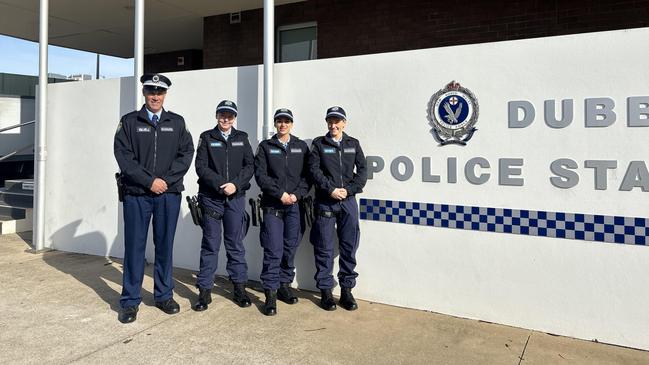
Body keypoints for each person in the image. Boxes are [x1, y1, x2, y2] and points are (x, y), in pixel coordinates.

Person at [113, 73, 195, 324]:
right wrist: (149, 181)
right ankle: (129, 301)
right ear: (144, 93)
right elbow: (124, 157)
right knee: (135, 248)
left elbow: (186, 153)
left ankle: (163, 296)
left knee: (164, 247)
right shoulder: (129, 122)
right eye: (151, 91)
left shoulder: (177, 122)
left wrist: (165, 182)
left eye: (159, 92)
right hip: (137, 194)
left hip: (168, 195)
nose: (155, 96)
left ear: (165, 95)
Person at [193, 100, 254, 311]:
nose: (225, 118)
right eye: (222, 114)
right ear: (216, 115)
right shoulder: (206, 137)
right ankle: (204, 291)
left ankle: (239, 289)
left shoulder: (242, 138)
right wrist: (221, 185)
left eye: (229, 115)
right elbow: (200, 167)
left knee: (235, 244)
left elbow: (250, 166)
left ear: (235, 117)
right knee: (210, 244)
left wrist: (235, 185)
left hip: (235, 198)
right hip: (212, 197)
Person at [308, 106, 367, 311]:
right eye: (330, 121)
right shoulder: (319, 144)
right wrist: (331, 189)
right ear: (327, 123)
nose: (333, 125)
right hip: (326, 201)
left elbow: (362, 171)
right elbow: (313, 170)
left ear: (344, 123)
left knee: (349, 246)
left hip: (348, 201)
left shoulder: (353, 144)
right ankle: (325, 291)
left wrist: (348, 190)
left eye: (337, 121)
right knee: (323, 247)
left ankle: (346, 291)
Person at [254, 108, 310, 316]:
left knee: (290, 248)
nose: (283, 124)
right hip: (273, 206)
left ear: (292, 124)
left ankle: (284, 285)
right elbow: (260, 175)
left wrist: (296, 195)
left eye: (286, 121)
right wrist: (280, 194)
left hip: (294, 206)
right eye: (279, 121)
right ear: (275, 124)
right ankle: (270, 292)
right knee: (272, 249)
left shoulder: (301, 147)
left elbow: (308, 176)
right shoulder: (266, 147)